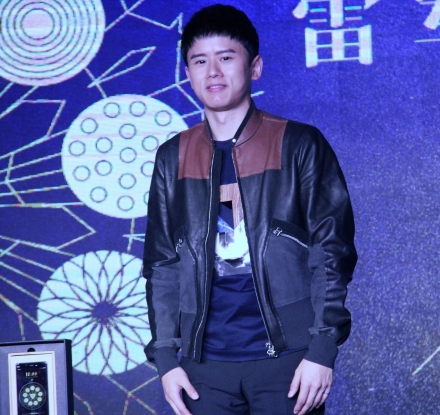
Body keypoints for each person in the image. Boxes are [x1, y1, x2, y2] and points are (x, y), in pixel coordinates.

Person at [143, 4, 357, 415]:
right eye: (199, 61)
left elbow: (332, 253)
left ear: (255, 67)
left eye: (226, 58)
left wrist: (322, 349)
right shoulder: (173, 156)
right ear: (187, 73)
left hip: (288, 361)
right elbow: (162, 264)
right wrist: (167, 359)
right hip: (202, 368)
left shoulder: (298, 144)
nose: (213, 72)